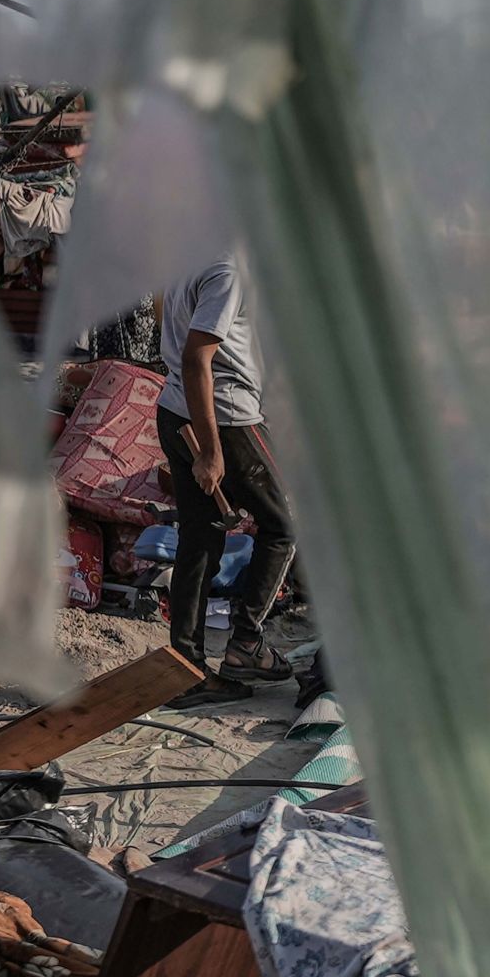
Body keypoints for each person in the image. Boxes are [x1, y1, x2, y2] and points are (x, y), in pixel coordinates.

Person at [155, 256, 296, 708]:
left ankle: (187, 669)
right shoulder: (228, 267)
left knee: (199, 540)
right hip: (225, 418)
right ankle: (246, 644)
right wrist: (212, 450)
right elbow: (198, 356)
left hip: (176, 409)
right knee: (282, 528)